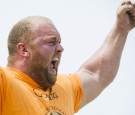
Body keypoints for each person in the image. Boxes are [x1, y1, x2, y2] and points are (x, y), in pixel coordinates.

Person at [0, 1, 135, 115]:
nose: (60, 48)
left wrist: (121, 29)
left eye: (59, 42)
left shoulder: (62, 88)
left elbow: (96, 74)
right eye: (51, 42)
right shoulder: (5, 82)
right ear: (24, 50)